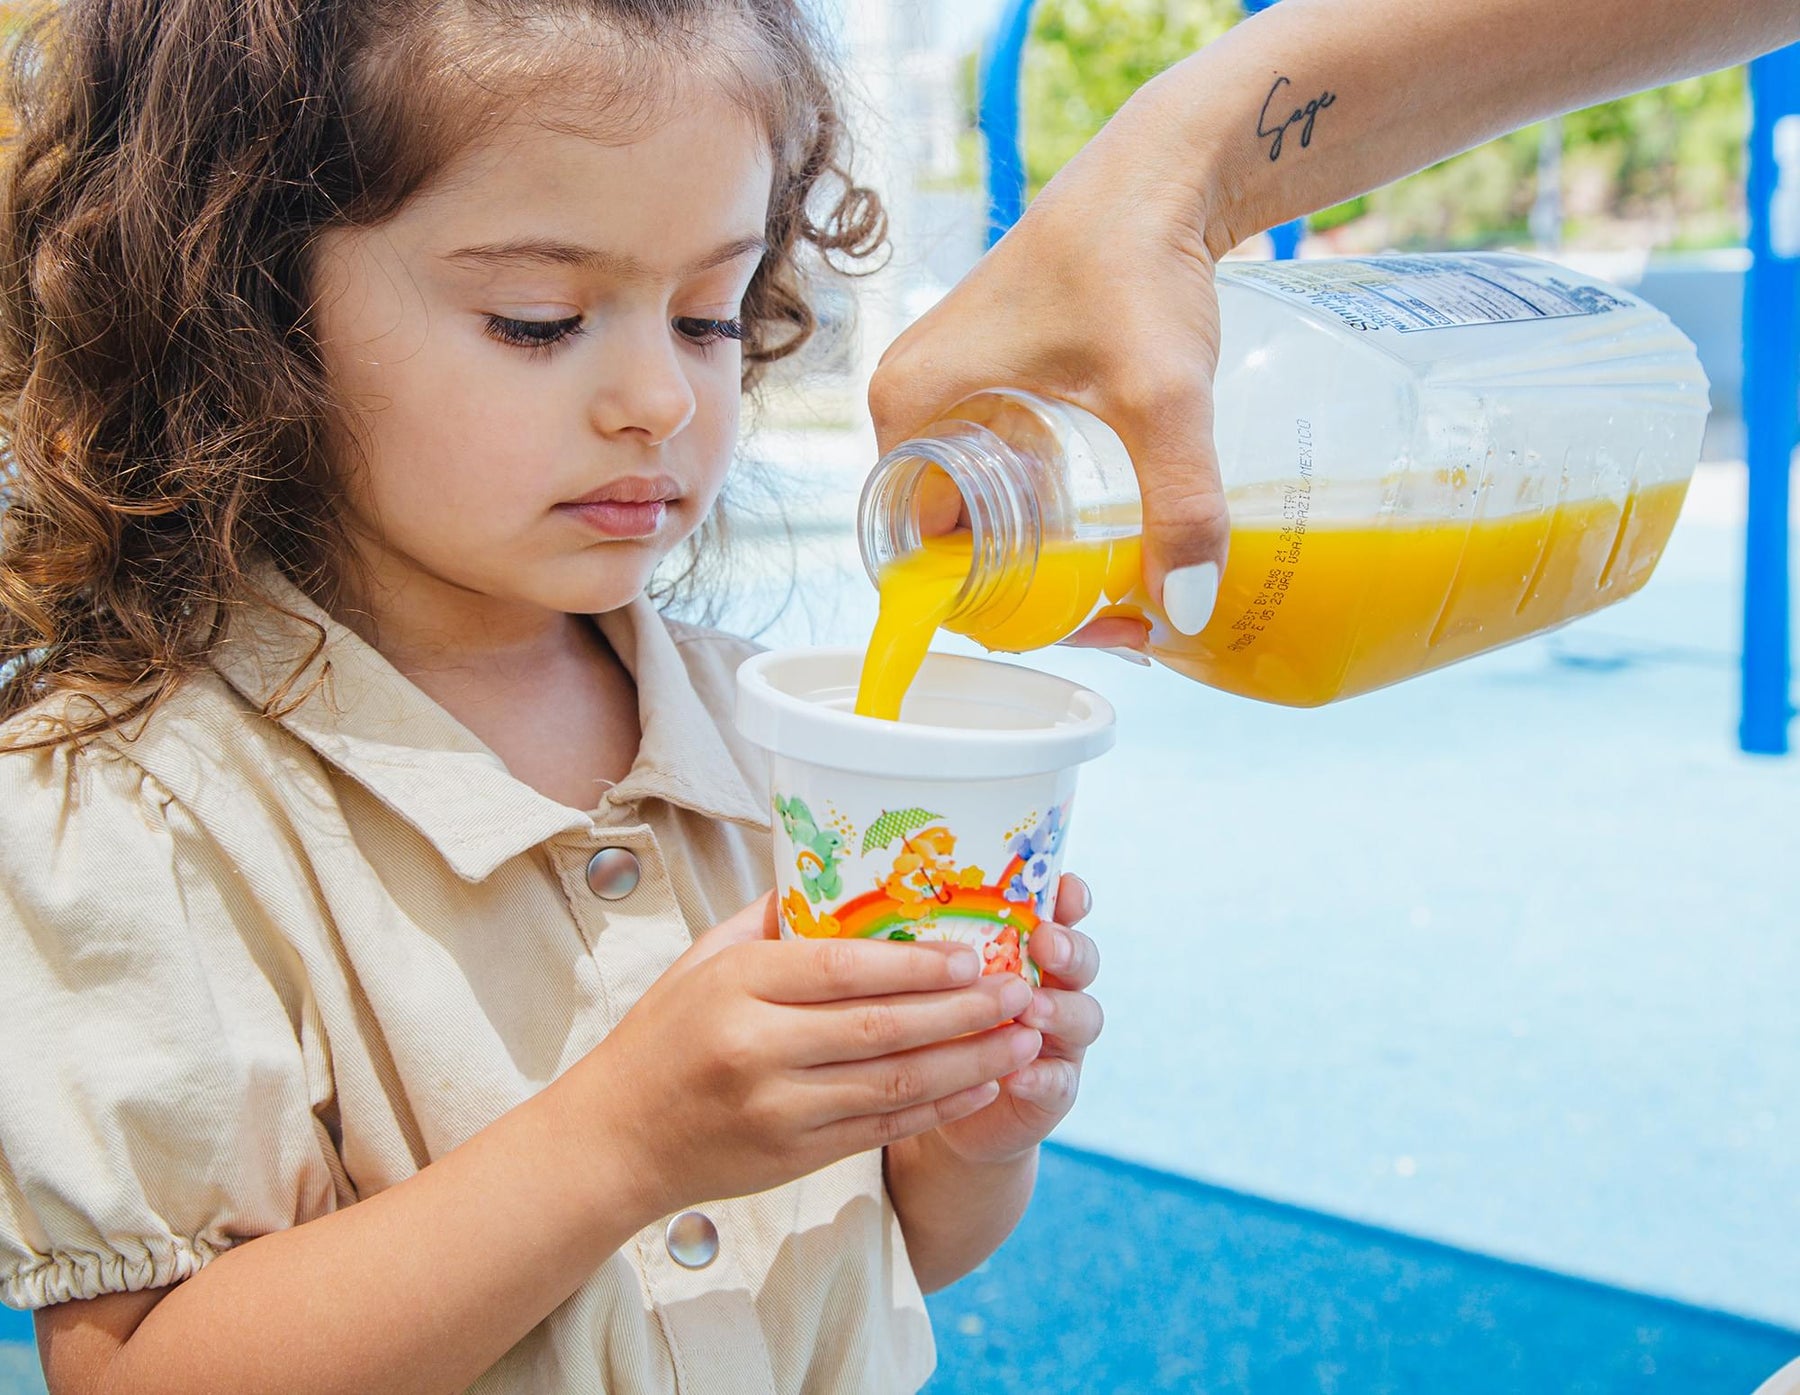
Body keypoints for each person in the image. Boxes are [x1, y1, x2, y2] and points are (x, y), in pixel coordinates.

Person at [0, 2, 1104, 1392]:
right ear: (250, 311)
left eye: (708, 314)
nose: (659, 396)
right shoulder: (130, 804)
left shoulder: (777, 738)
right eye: (539, 321)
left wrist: (963, 1126)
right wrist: (626, 1140)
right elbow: (146, 1371)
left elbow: (883, 1248)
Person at [870, 0, 1800, 649]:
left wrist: (1174, 172)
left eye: (718, 319)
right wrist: (1183, 169)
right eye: (711, 320)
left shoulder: (1228, 367)